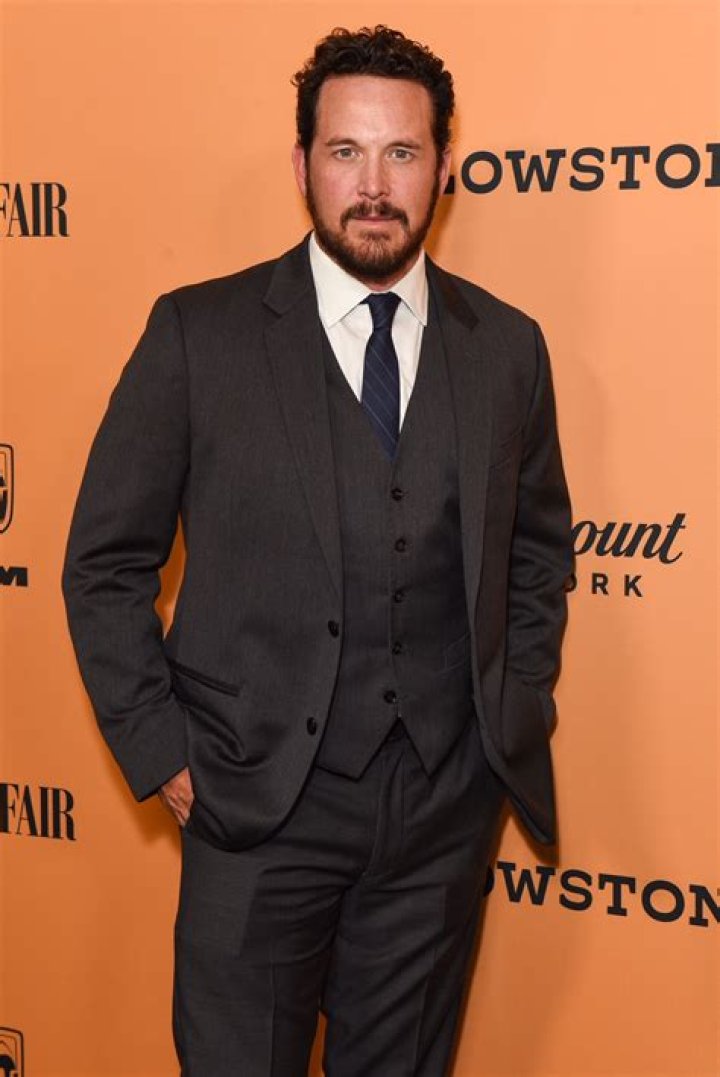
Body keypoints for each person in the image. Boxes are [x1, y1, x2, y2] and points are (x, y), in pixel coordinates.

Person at [62, 24, 573, 1077]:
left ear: (444, 166)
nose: (373, 186)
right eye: (346, 151)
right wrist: (163, 754)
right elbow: (104, 563)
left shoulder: (509, 348)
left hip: (440, 816)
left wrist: (508, 710)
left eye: (401, 152)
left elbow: (537, 553)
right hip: (254, 805)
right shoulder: (199, 335)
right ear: (302, 165)